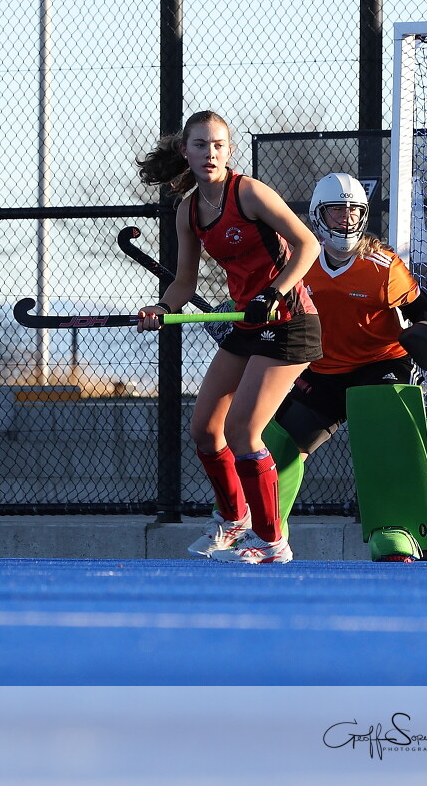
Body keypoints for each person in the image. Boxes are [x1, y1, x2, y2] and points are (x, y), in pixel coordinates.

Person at [135, 110, 321, 564]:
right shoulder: (188, 211)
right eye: (200, 145)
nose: (210, 153)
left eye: (218, 145)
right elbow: (183, 282)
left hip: (290, 323)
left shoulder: (249, 193)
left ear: (229, 150)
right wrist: (162, 309)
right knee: (205, 430)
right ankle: (234, 518)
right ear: (186, 151)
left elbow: (308, 245)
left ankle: (272, 542)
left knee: (242, 431)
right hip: (248, 325)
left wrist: (273, 293)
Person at [269, 172, 427, 562]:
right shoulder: (299, 262)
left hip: (380, 363)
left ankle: (394, 530)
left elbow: (424, 304)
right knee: (279, 445)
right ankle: (263, 530)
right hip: (323, 371)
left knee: (383, 436)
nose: (346, 218)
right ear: (318, 215)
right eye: (337, 210)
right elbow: (271, 306)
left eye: (354, 210)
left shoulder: (382, 265)